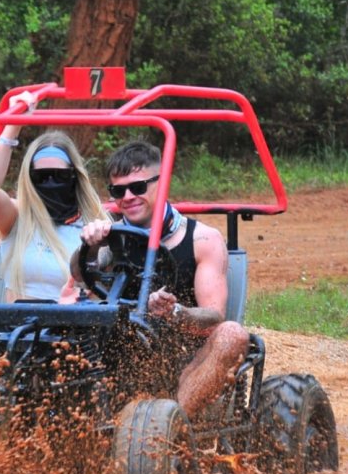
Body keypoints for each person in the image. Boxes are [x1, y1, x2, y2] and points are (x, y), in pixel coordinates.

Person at [71, 140, 249, 419]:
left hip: (186, 365)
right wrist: (90, 245)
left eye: (138, 187)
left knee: (232, 334)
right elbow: (78, 275)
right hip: (118, 359)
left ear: (162, 182)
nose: (128, 196)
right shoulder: (112, 239)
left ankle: (169, 430)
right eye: (118, 190)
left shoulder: (202, 239)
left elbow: (215, 316)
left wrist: (174, 311)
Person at [0, 126, 108, 302]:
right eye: (41, 177)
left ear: (74, 176)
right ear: (29, 179)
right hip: (19, 326)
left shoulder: (95, 227)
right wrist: (12, 127)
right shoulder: (18, 218)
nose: (51, 183)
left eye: (59, 176)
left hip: (72, 325)